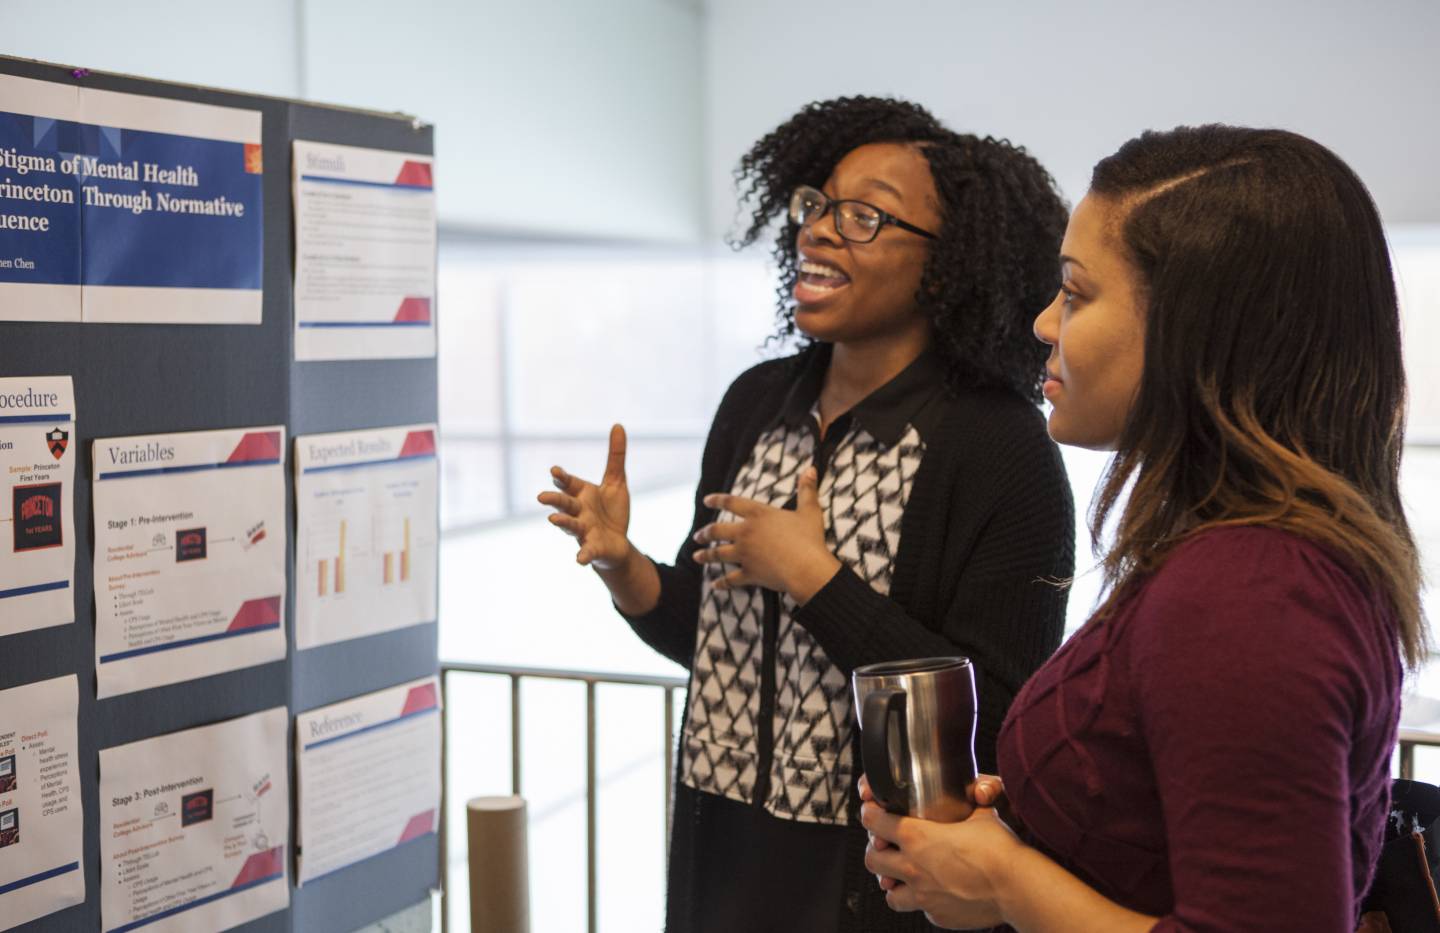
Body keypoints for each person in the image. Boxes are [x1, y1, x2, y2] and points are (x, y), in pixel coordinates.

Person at [861, 124, 1424, 932]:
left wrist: (1007, 881)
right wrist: (1022, 826)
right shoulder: (1244, 556)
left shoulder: (1250, 592)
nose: (1044, 325)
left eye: (1078, 293)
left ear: (1201, 329)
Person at [538, 96, 1075, 932]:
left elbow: (1003, 711)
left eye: (864, 216)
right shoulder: (757, 404)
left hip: (880, 887)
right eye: (817, 205)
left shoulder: (1002, 448)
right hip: (722, 859)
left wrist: (813, 578)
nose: (819, 230)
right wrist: (628, 567)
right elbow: (719, 640)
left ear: (950, 264)